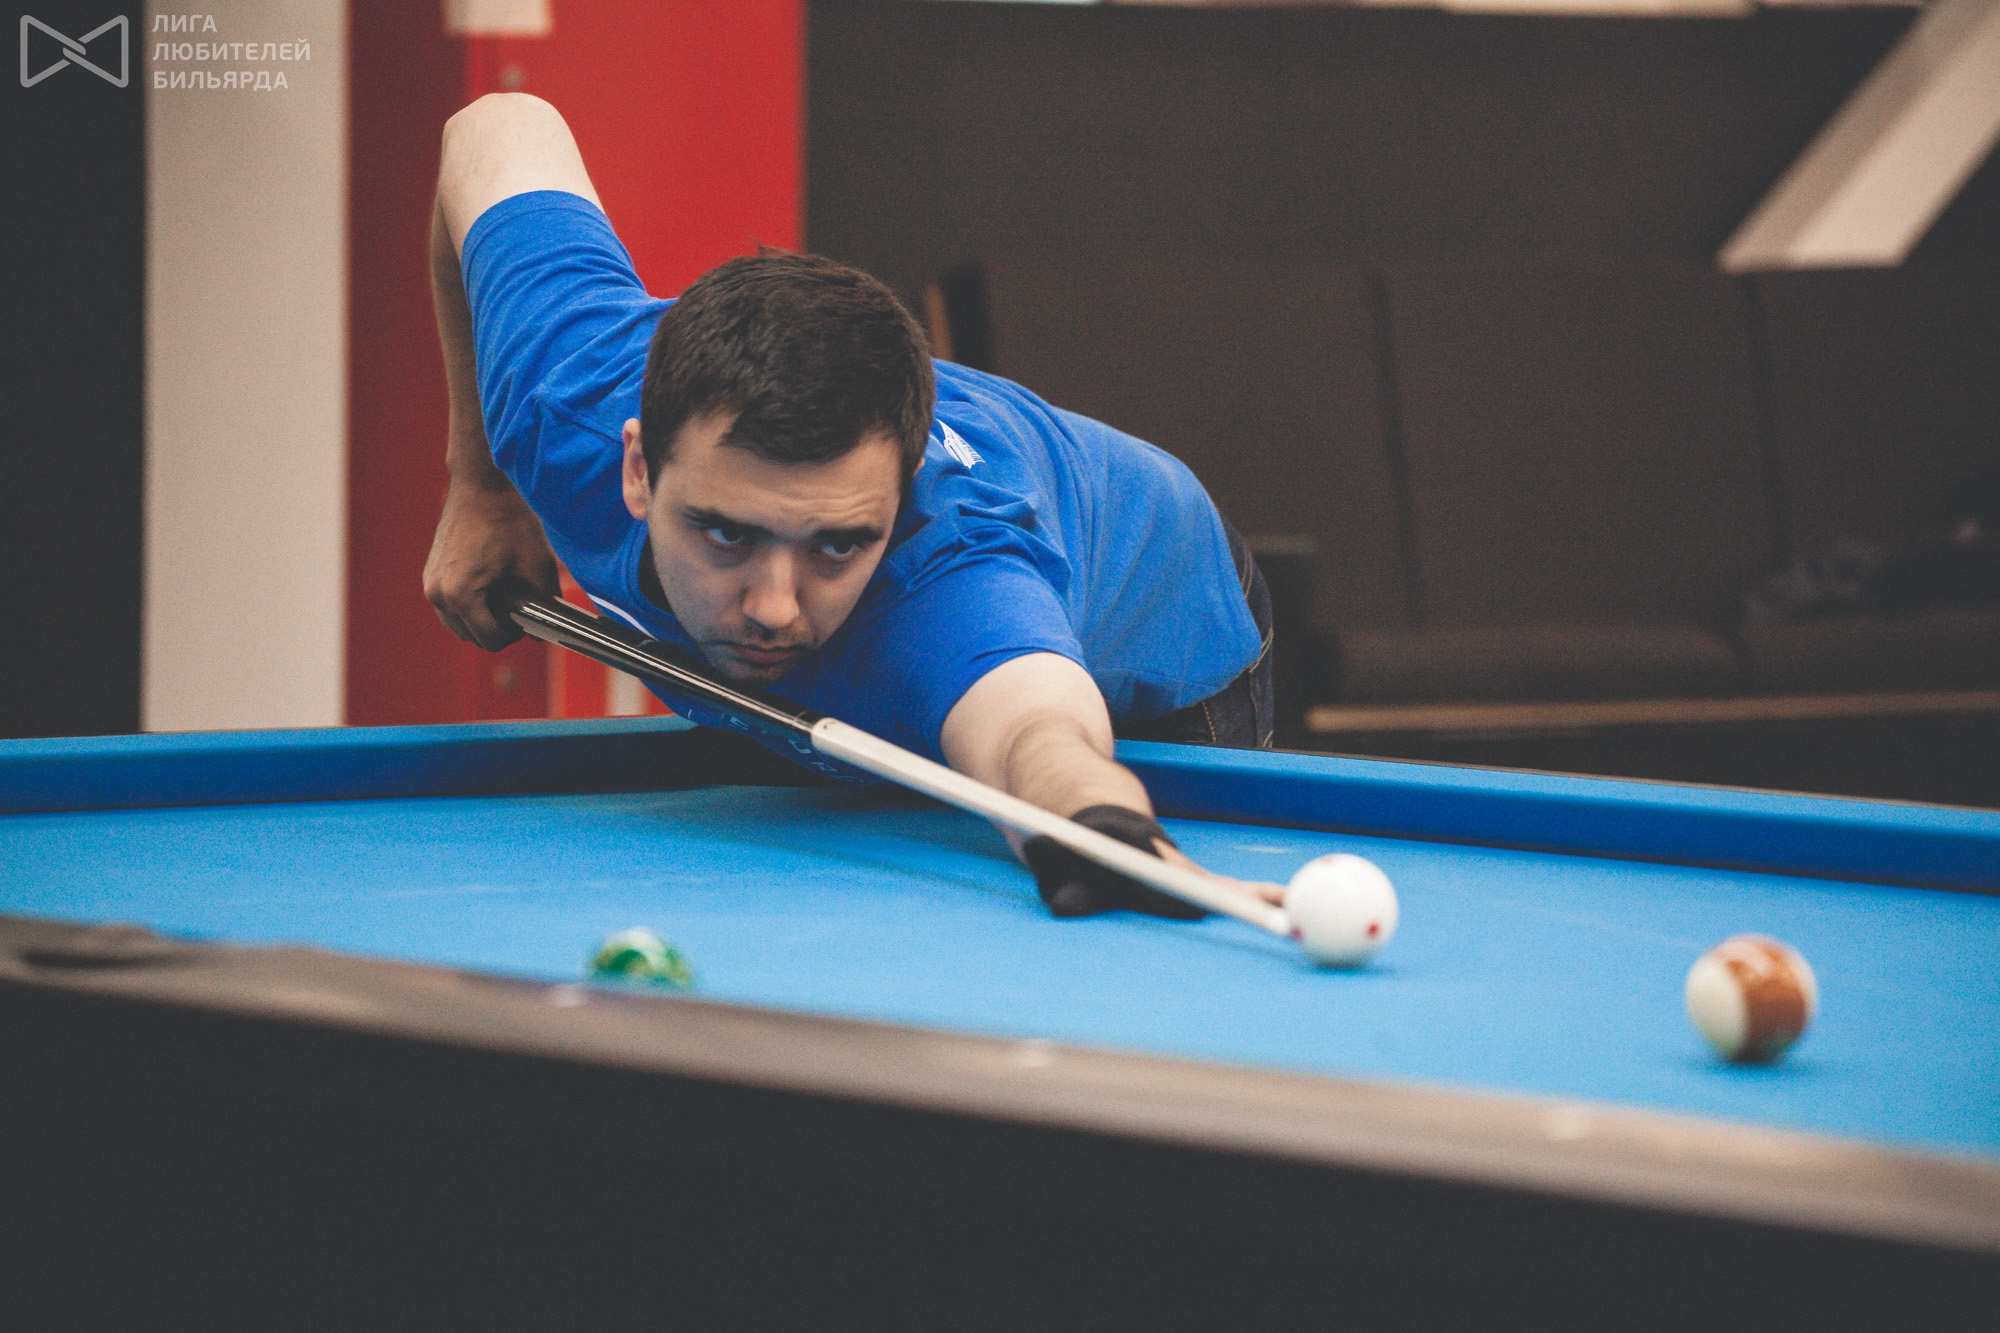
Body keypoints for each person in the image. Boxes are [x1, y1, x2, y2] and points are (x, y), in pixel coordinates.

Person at [423, 94, 1276, 920]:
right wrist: (482, 486)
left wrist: (1099, 822)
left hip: (1158, 619)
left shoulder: (951, 583)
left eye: (836, 545)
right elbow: (494, 129)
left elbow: (1036, 733)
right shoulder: (562, 399)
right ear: (639, 468)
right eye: (726, 534)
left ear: (898, 505)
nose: (774, 607)